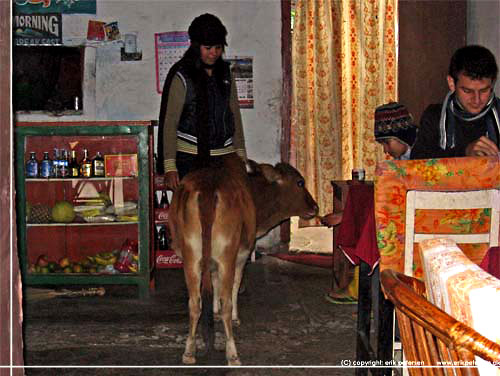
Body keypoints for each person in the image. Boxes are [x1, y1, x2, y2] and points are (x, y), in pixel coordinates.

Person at [321, 102, 418, 304]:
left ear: (399, 137)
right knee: (366, 204)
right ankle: (358, 287)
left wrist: (343, 217)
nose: (386, 150)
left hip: (413, 220)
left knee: (372, 225)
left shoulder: (420, 157)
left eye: (386, 143)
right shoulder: (402, 158)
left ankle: (361, 290)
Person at [157, 13, 247, 190]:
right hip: (190, 159)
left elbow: (234, 115)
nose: (213, 53)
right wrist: (169, 167)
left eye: (218, 48)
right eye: (208, 48)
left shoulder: (226, 75)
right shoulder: (182, 75)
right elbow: (170, 123)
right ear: (196, 46)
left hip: (226, 158)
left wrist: (241, 157)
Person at [411, 45, 499, 159]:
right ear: (451, 83)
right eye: (467, 91)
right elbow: (417, 163)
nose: (477, 100)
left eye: (484, 90)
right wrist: (464, 152)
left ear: (492, 83)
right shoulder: (434, 116)